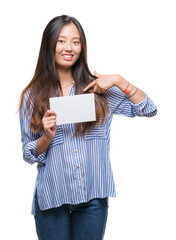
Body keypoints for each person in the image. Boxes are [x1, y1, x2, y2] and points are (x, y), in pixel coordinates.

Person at [19, 15, 157, 240]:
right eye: (61, 41)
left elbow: (148, 108)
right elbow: (27, 154)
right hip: (52, 199)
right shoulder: (32, 95)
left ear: (82, 47)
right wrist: (47, 137)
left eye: (76, 41)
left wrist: (120, 81)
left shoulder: (99, 89)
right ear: (49, 45)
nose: (69, 48)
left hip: (93, 200)